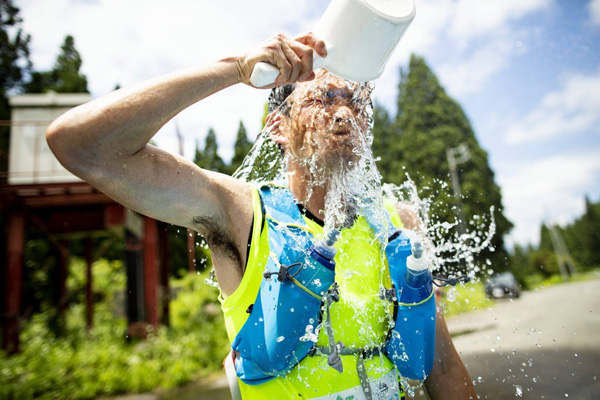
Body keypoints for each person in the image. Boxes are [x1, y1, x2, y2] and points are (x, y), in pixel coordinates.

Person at [47, 32, 476, 399]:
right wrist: (235, 67)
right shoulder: (239, 212)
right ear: (277, 128)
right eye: (324, 98)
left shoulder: (396, 223)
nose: (345, 113)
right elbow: (80, 144)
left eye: (357, 101)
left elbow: (442, 369)